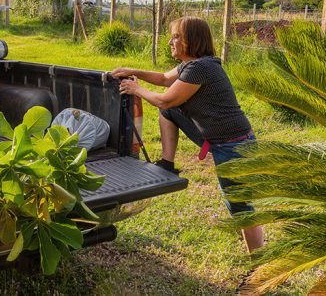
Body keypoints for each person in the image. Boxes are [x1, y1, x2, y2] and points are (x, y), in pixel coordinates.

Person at [112, 17, 264, 253]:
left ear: (190, 40)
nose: (171, 41)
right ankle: (167, 163)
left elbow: (166, 97)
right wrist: (134, 72)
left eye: (175, 36)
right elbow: (163, 79)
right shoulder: (193, 65)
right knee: (169, 112)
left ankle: (260, 266)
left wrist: (136, 89)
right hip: (216, 139)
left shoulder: (201, 68)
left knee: (240, 207)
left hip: (235, 146)